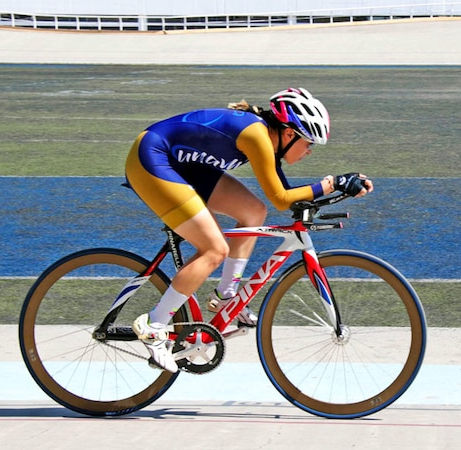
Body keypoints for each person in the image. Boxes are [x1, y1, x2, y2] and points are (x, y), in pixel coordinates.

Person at [124, 87, 373, 372]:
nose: (309, 151)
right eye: (308, 143)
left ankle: (226, 296)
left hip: (182, 163)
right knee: (215, 249)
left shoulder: (268, 139)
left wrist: (343, 187)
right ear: (289, 134)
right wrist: (332, 183)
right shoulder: (256, 136)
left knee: (254, 212)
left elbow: (286, 194)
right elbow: (280, 198)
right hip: (152, 158)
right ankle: (154, 324)